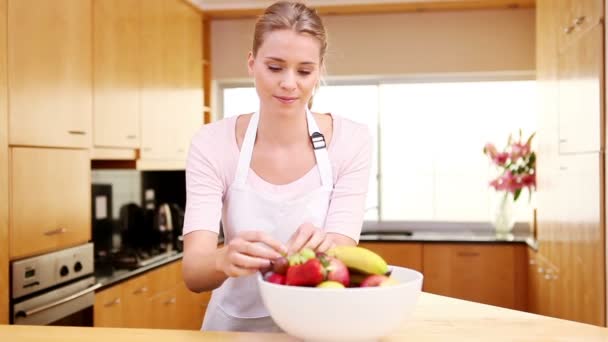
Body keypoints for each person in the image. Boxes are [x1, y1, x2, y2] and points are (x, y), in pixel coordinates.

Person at [181, 0, 373, 332]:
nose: (289, 83)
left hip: (317, 328)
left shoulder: (352, 141)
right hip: (232, 328)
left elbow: (344, 249)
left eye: (304, 70)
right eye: (274, 67)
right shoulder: (212, 143)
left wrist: (328, 247)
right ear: (252, 64)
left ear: (319, 71)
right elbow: (194, 273)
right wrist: (223, 258)